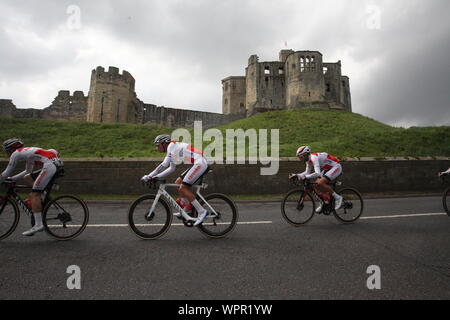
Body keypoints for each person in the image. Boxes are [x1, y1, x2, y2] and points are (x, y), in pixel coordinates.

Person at [141, 135, 210, 226]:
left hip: (200, 163)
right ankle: (187, 209)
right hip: (198, 163)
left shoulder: (171, 146)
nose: (156, 147)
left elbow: (164, 164)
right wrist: (156, 177)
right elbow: (171, 168)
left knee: (183, 188)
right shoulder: (173, 148)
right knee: (178, 182)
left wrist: (150, 176)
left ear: (164, 143)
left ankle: (202, 212)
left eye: (158, 145)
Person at [0, 138, 63, 236]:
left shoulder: (16, 153)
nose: (5, 153)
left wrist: (5, 179)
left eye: (6, 150)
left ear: (11, 149)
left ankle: (38, 224)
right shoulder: (28, 155)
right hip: (53, 163)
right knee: (28, 177)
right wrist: (12, 179)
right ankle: (41, 197)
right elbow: (27, 172)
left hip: (50, 165)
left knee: (34, 194)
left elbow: (7, 172)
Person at [290, 146, 343, 212]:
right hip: (327, 169)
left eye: (300, 157)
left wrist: (305, 177)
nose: (300, 159)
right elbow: (307, 172)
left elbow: (317, 173)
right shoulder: (308, 161)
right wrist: (297, 175)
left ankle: (338, 198)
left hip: (336, 167)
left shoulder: (314, 158)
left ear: (305, 154)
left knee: (320, 182)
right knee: (315, 185)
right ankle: (324, 202)